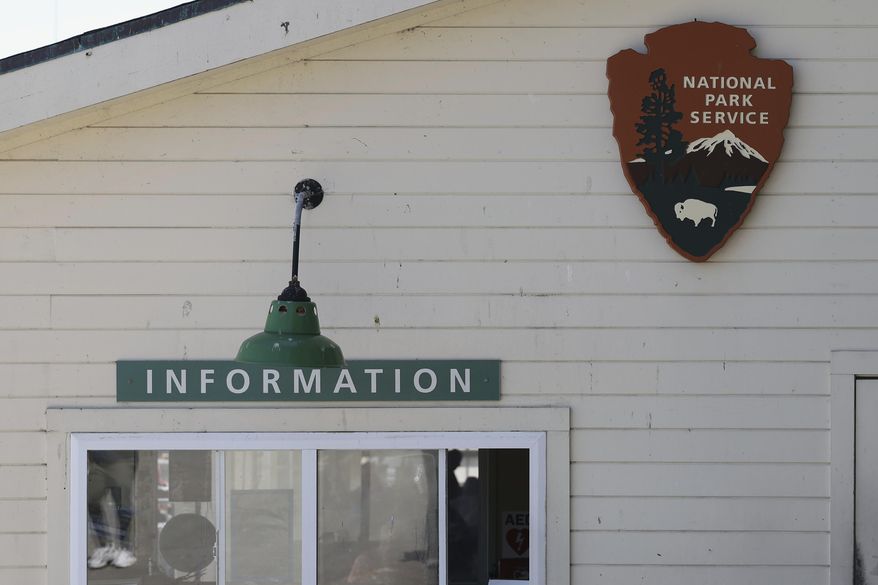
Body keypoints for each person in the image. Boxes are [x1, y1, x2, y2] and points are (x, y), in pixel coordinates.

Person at [87, 451, 138, 569]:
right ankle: (105, 547)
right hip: (97, 463)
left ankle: (125, 549)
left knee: (121, 506)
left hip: (121, 460)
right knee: (91, 500)